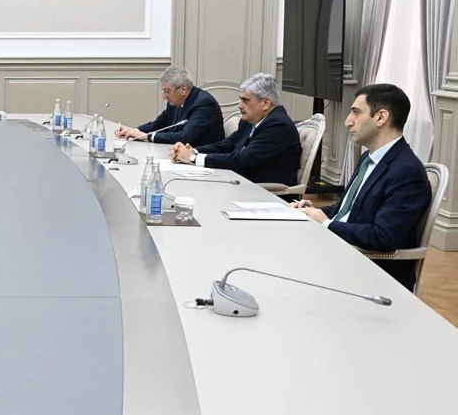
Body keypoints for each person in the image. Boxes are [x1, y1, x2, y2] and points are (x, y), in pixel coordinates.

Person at [292, 83, 432, 291]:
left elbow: (383, 237)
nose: (348, 121)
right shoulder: (369, 157)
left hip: (368, 272)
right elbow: (347, 210)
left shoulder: (407, 172)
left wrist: (326, 224)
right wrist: (313, 211)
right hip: (341, 251)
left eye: (356, 112)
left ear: (381, 117)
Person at [170, 73, 301, 185]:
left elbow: (242, 159)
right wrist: (192, 151)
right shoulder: (252, 120)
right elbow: (226, 145)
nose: (240, 106)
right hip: (241, 183)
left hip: (265, 194)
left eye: (245, 100)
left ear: (266, 103)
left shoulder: (278, 126)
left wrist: (193, 158)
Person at [115, 66, 224, 146]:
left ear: (183, 89)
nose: (164, 96)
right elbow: (158, 124)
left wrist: (146, 136)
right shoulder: (176, 101)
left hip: (201, 159)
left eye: (167, 91)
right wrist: (133, 131)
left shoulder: (204, 104)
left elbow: (185, 137)